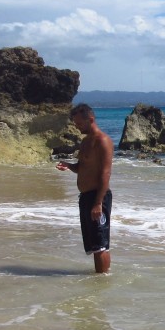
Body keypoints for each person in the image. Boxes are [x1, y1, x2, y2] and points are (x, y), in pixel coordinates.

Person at [57, 103, 114, 273]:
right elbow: (82, 167)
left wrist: (98, 203)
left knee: (100, 245)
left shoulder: (102, 141)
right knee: (94, 245)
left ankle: (102, 282)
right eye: (75, 124)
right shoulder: (85, 141)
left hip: (98, 197)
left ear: (91, 119)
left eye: (79, 124)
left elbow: (105, 174)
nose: (77, 127)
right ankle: (101, 278)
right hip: (86, 197)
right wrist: (69, 166)